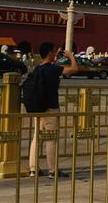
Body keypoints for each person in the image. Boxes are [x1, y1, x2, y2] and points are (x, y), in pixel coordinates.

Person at [29, 42, 78, 178]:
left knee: (36, 138)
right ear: (50, 53)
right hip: (50, 108)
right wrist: (71, 57)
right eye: (54, 51)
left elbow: (49, 65)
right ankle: (52, 170)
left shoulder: (37, 68)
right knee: (51, 139)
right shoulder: (53, 69)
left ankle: (33, 169)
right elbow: (74, 69)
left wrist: (55, 57)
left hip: (37, 108)